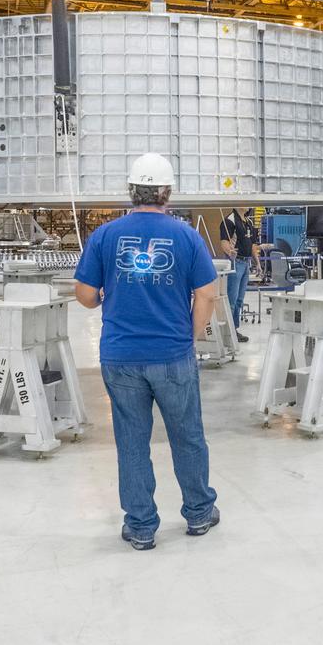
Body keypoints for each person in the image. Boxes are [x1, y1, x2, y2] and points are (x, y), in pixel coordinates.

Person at [74, 153, 221, 551]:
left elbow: (85, 296)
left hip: (120, 357)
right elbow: (207, 294)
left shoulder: (104, 235)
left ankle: (140, 526)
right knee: (187, 436)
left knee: (132, 441)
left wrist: (107, 296)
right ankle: (199, 513)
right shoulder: (187, 236)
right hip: (172, 355)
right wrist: (189, 336)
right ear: (167, 192)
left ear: (131, 190)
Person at [218, 207, 253, 343]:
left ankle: (234, 329)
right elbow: (224, 242)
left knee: (239, 300)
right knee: (231, 300)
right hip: (235, 262)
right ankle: (228, 332)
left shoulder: (248, 221)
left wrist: (258, 263)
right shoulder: (229, 220)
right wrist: (229, 251)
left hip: (246, 263)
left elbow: (252, 245)